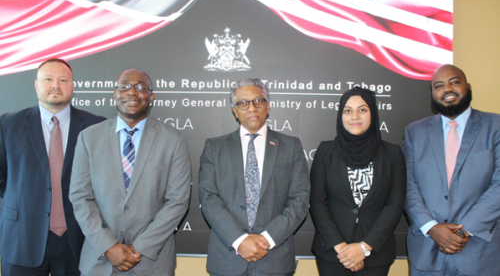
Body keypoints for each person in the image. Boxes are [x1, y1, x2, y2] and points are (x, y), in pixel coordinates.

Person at [69, 69, 191, 275]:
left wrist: (140, 248)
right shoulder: (88, 138)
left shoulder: (173, 140)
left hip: (152, 263)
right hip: (99, 262)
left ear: (151, 97)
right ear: (114, 95)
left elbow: (178, 201)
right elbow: (80, 197)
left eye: (141, 87)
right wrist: (108, 246)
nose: (132, 92)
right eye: (124, 86)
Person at [0, 58, 105, 275]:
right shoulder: (7, 125)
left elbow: (104, 182)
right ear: (37, 84)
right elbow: (2, 178)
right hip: (22, 237)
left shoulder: (97, 127)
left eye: (63, 80)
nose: (55, 85)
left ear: (73, 86)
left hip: (78, 240)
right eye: (48, 79)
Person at [198, 78, 310, 276]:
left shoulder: (290, 146)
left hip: (274, 258)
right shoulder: (215, 147)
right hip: (227, 260)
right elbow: (208, 199)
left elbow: (300, 199)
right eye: (243, 103)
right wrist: (239, 240)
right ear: (234, 110)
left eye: (258, 101)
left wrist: (266, 239)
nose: (251, 108)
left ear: (267, 106)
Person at [403, 64, 500, 275]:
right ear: (433, 94)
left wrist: (463, 232)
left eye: (455, 82)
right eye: (439, 85)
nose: (447, 89)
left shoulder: (496, 126)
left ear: (469, 87)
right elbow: (406, 185)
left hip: (481, 251)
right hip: (427, 250)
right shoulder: (414, 132)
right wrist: (430, 226)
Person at [309, 86, 406, 276]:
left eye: (362, 109)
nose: (355, 116)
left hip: (376, 253)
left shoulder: (393, 154)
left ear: (373, 113)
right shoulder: (325, 151)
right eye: (348, 110)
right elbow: (317, 202)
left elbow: (395, 205)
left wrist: (363, 248)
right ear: (340, 115)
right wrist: (343, 250)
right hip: (333, 253)